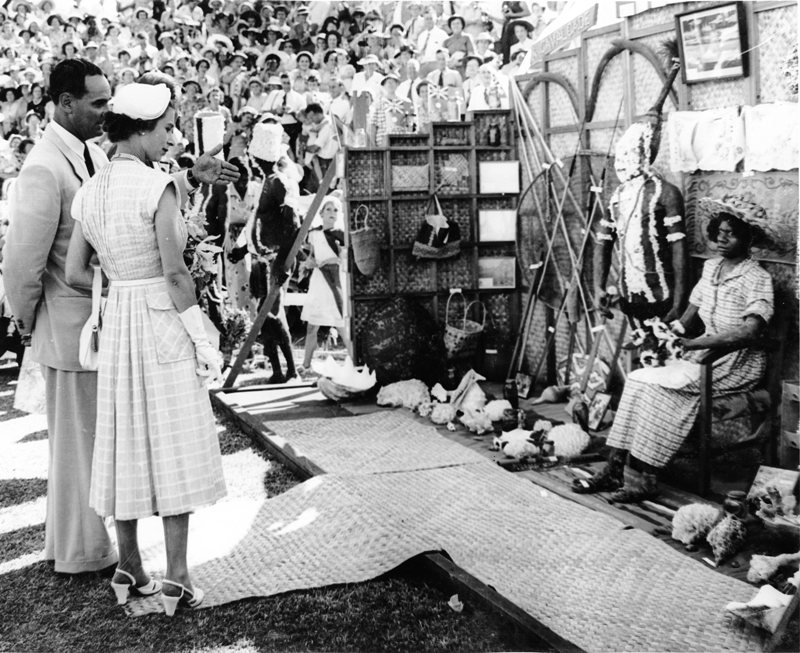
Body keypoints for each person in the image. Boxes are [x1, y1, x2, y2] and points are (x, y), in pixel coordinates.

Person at [2, 58, 236, 576]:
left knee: (105, 445)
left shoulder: (89, 160)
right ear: (65, 103)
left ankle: (110, 555)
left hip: (109, 320)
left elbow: (127, 203)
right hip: (71, 324)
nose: (105, 111)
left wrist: (185, 181)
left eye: (110, 101)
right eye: (97, 101)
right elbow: (22, 263)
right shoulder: (44, 166)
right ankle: (82, 553)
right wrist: (24, 322)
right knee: (79, 452)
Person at [65, 81, 226, 613]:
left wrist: (120, 272)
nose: (172, 139)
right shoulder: (158, 188)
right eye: (165, 130)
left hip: (119, 323)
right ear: (140, 130)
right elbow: (177, 275)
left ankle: (130, 567)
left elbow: (73, 268)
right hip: (161, 319)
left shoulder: (89, 190)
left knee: (125, 440)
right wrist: (204, 341)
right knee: (173, 440)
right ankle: (177, 576)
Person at [574, 196, 775, 502]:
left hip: (735, 363)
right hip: (701, 356)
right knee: (639, 380)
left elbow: (750, 331)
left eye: (731, 233)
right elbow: (687, 317)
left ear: (748, 238)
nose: (721, 239)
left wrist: (695, 344)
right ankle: (616, 467)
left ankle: (644, 479)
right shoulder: (710, 269)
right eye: (718, 231)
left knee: (658, 393)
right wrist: (663, 334)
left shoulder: (757, 278)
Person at [594, 122, 689, 326]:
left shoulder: (666, 193)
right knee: (643, 350)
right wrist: (598, 287)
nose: (621, 162)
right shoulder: (616, 196)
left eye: (629, 153)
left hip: (664, 296)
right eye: (620, 154)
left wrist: (679, 301)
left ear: (644, 155)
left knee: (667, 350)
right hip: (629, 295)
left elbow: (679, 248)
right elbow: (602, 243)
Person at [300, 195, 351, 370]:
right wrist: (310, 262)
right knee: (312, 326)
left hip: (335, 281)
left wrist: (333, 259)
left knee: (342, 324)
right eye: (328, 209)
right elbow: (312, 255)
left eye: (335, 210)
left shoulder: (341, 235)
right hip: (318, 282)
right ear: (321, 213)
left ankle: (355, 361)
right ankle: (306, 364)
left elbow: (344, 258)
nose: (332, 213)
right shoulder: (314, 233)